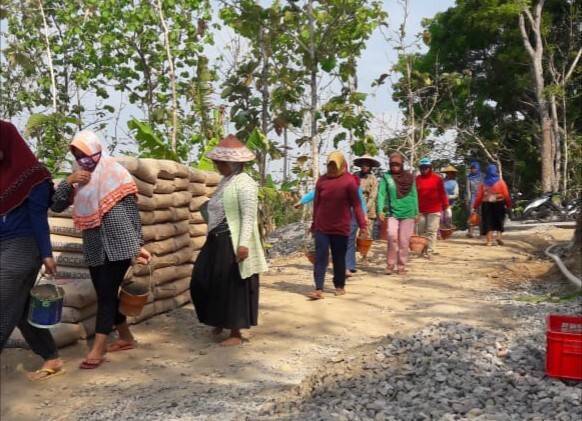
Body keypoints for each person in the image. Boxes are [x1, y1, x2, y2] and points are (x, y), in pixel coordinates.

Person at [51, 130, 151, 369]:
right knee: (105, 292)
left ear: (95, 150)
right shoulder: (79, 178)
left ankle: (98, 348)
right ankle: (126, 337)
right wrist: (69, 181)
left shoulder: (116, 173)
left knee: (106, 293)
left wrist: (139, 245)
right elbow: (56, 206)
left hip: (120, 243)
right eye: (76, 154)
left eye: (84, 153)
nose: (81, 159)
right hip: (95, 244)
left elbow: (132, 213)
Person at [0, 121, 64, 381]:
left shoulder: (34, 175)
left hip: (24, 246)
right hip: (3, 246)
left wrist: (47, 254)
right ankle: (51, 356)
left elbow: (38, 217)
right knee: (21, 308)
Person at [190, 135, 267, 346]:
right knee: (203, 280)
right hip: (216, 238)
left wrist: (243, 245)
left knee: (233, 285)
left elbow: (249, 216)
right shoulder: (226, 182)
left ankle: (235, 332)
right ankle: (218, 319)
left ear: (233, 163)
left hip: (232, 240)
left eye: (221, 163)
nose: (218, 166)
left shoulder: (245, 183)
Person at [307, 151, 367, 300]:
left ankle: (339, 285)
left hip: (341, 227)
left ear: (341, 165)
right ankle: (318, 288)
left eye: (335, 165)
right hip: (322, 226)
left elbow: (357, 205)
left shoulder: (349, 181)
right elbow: (316, 204)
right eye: (330, 165)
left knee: (339, 257)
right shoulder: (322, 181)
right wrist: (314, 224)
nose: (332, 168)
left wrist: (363, 225)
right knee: (320, 257)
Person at [295, 174, 367, 277]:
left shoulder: (352, 182)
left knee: (349, 240)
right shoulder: (329, 182)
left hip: (351, 214)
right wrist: (302, 201)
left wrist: (364, 214)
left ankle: (348, 266)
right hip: (336, 214)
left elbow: (360, 200)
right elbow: (316, 193)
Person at [377, 152, 418, 275]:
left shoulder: (410, 177)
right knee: (392, 236)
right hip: (392, 212)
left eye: (397, 164)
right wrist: (380, 210)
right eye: (392, 164)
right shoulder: (386, 177)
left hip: (409, 212)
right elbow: (381, 194)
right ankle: (390, 264)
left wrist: (416, 212)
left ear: (402, 164)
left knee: (404, 241)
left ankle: (401, 266)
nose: (395, 166)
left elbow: (414, 195)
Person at [416, 157, 449, 256]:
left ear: (430, 167)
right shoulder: (417, 179)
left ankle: (430, 250)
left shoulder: (437, 179)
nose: (424, 169)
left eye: (426, 167)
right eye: (422, 167)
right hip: (420, 209)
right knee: (421, 231)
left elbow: (442, 193)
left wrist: (446, 206)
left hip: (434, 209)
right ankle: (423, 249)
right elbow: (413, 195)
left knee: (431, 230)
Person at [472, 164, 511, 246]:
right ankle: (499, 237)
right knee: (499, 220)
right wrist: (508, 204)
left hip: (486, 204)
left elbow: (479, 196)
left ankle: (489, 241)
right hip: (499, 203)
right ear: (495, 171)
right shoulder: (501, 182)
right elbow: (506, 194)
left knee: (488, 222)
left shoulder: (483, 183)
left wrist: (475, 206)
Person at [352, 155, 380, 238]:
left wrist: (365, 209)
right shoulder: (355, 175)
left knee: (366, 235)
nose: (365, 167)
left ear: (370, 167)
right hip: (355, 206)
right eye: (363, 165)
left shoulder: (373, 178)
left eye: (367, 165)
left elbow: (373, 196)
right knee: (353, 233)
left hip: (369, 209)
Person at [466, 161, 482, 238]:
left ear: (478, 168)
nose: (473, 169)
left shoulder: (482, 176)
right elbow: (468, 189)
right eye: (472, 168)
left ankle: (482, 232)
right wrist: (469, 199)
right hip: (473, 197)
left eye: (474, 168)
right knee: (471, 213)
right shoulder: (469, 177)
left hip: (481, 197)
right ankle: (470, 232)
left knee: (481, 214)